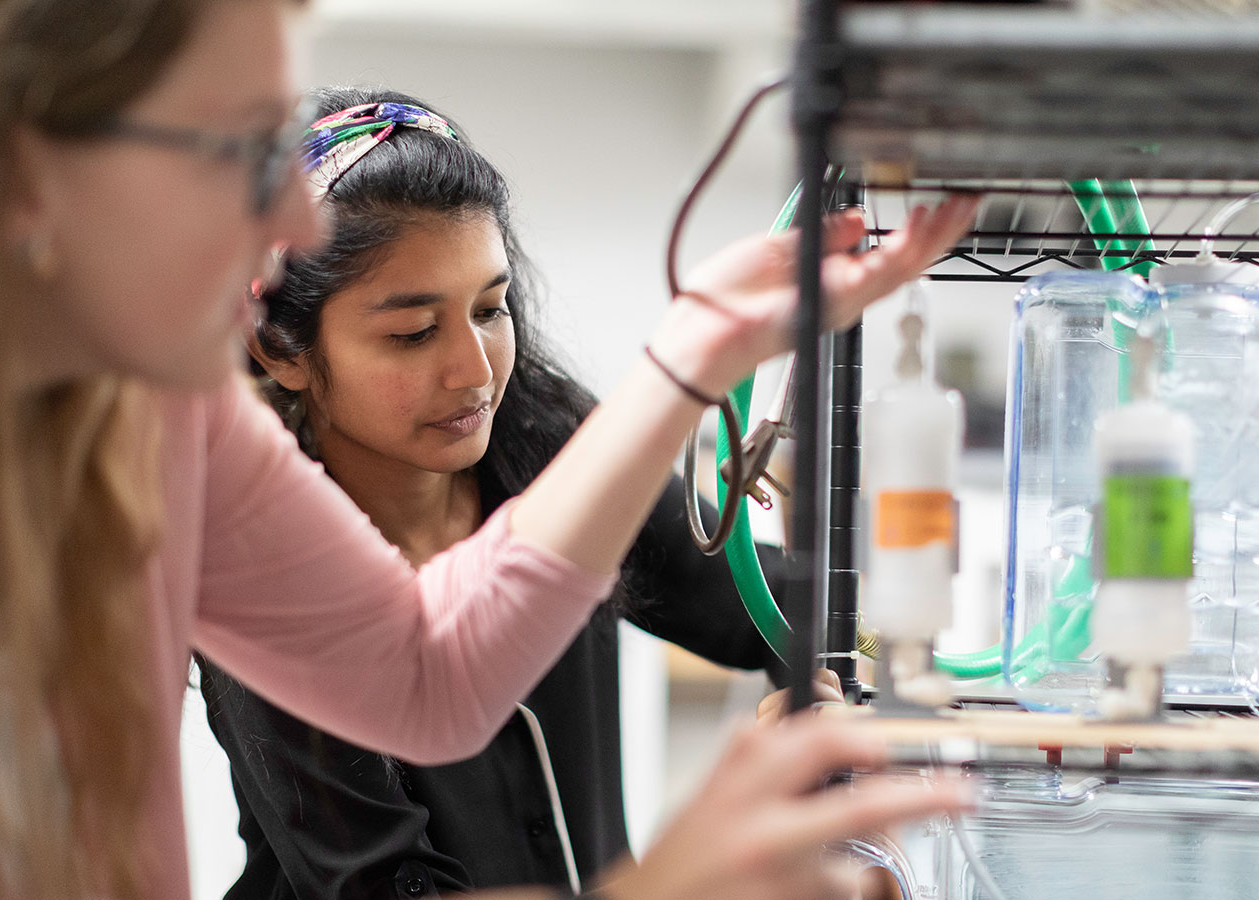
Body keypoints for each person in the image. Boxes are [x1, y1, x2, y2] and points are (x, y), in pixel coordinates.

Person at [0, 2, 980, 900]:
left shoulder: (169, 416)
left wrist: (698, 349)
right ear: (23, 166)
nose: (293, 230)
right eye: (231, 147)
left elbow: (424, 668)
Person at [197, 85, 815, 899]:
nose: (476, 372)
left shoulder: (556, 454)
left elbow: (770, 608)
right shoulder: (266, 579)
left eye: (490, 309)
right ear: (281, 350)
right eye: (413, 333)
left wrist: (834, 683)